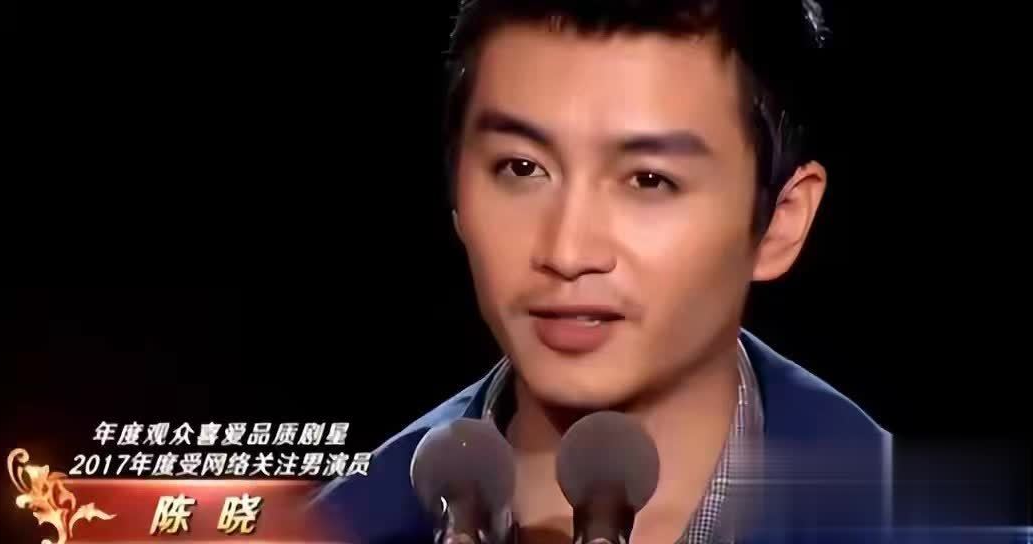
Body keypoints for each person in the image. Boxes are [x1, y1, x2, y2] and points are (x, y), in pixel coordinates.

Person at [312, 1, 891, 542]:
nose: (567, 252)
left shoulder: (894, 519)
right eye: (521, 168)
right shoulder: (339, 527)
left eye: (649, 180)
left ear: (780, 222)